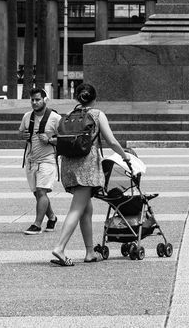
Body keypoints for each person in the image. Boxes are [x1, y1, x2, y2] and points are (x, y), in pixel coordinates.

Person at [49, 83, 130, 266]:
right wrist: (125, 157)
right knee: (77, 208)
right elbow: (111, 140)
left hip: (69, 165)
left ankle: (90, 252)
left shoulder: (69, 115)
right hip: (87, 167)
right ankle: (60, 248)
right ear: (95, 98)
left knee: (87, 209)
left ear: (77, 98)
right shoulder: (97, 114)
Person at [18, 87, 61, 235]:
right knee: (37, 193)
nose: (35, 102)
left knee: (42, 191)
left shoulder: (55, 118)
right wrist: (23, 135)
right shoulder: (27, 116)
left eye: (38, 99)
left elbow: (64, 139)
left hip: (48, 160)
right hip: (31, 160)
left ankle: (37, 224)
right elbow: (20, 132)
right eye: (33, 100)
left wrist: (50, 139)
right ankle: (52, 218)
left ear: (45, 100)